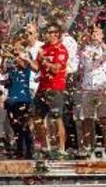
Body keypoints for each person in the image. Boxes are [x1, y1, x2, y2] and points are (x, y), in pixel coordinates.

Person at [77, 25, 106, 158]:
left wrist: (100, 43)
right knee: (87, 118)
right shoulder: (86, 49)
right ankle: (88, 146)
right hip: (88, 87)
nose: (94, 35)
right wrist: (85, 40)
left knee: (103, 118)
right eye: (93, 33)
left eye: (97, 33)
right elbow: (84, 61)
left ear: (102, 36)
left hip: (102, 88)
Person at [31, 23, 69, 159]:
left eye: (48, 32)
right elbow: (36, 68)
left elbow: (56, 69)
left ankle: (61, 149)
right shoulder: (43, 48)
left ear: (56, 34)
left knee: (57, 118)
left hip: (55, 88)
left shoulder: (61, 49)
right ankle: (45, 147)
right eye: (45, 32)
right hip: (42, 87)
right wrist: (26, 59)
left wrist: (44, 60)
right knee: (36, 118)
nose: (45, 35)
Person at [3, 36, 34, 159]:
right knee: (15, 126)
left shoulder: (26, 55)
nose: (16, 48)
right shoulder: (10, 59)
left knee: (23, 125)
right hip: (11, 97)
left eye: (18, 46)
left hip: (23, 97)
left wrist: (14, 55)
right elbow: (5, 73)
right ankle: (19, 149)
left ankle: (29, 150)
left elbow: (25, 65)